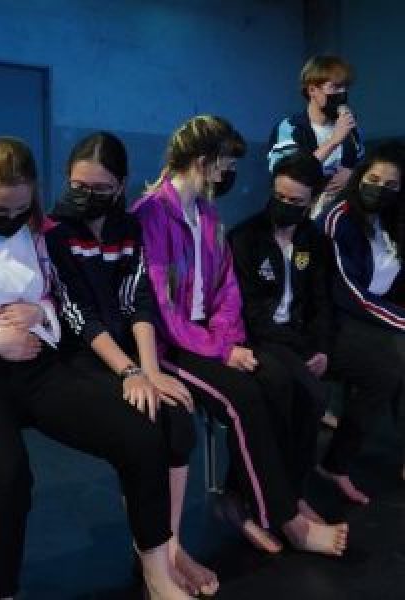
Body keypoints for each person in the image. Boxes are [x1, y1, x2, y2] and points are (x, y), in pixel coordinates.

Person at [0, 135, 199, 599]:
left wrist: (38, 313)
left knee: (142, 429)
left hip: (41, 364)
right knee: (7, 475)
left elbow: (57, 299)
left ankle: (157, 572)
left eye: (20, 209)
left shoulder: (41, 230)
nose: (10, 219)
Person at [133, 115, 348, 557]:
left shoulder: (208, 213)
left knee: (279, 382)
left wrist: (229, 342)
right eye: (227, 165)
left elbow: (227, 289)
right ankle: (286, 519)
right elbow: (160, 307)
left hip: (211, 339)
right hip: (171, 344)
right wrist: (221, 350)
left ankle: (256, 501)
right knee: (244, 399)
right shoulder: (151, 213)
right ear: (203, 161)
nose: (229, 174)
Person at [45, 131, 218, 596]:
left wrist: (151, 370)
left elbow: (138, 303)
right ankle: (152, 561)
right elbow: (78, 315)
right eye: (78, 185)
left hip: (129, 355)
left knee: (179, 422)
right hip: (81, 358)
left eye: (100, 188)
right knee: (143, 428)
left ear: (120, 186)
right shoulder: (55, 233)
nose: (86, 196)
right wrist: (130, 373)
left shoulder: (129, 229)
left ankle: (172, 548)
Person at [229, 151, 331, 517]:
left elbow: (321, 302)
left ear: (312, 202)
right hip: (259, 338)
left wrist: (321, 349)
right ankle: (268, 497)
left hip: (297, 337)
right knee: (300, 394)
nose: (285, 205)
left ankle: (292, 492)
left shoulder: (316, 241)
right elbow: (251, 313)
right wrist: (302, 349)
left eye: (295, 201)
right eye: (279, 196)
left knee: (311, 397)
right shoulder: (244, 237)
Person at [317, 141, 405, 502]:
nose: (380, 189)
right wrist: (400, 321)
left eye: (391, 185)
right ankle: (336, 463)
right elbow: (347, 292)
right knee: (393, 362)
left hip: (376, 317)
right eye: (374, 179)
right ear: (360, 176)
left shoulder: (393, 221)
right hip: (336, 319)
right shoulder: (338, 218)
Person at [268, 55, 364, 218]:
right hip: (299, 217)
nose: (342, 93)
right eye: (335, 87)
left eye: (345, 87)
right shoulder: (290, 128)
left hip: (341, 216)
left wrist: (353, 175)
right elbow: (290, 174)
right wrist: (334, 141)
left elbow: (362, 168)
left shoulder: (350, 128)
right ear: (312, 90)